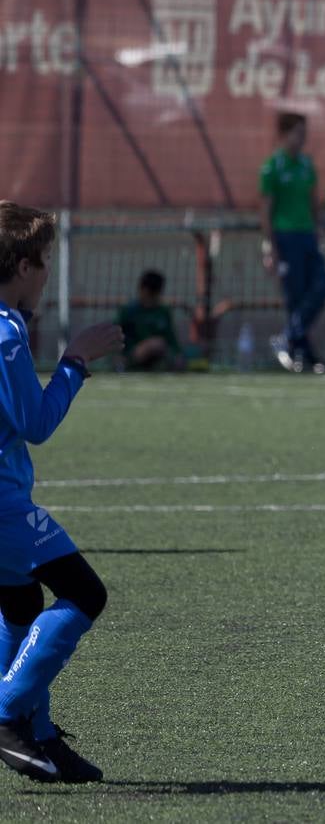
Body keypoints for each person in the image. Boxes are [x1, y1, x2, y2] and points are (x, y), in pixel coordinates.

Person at [0, 201, 123, 781]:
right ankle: (4, 713)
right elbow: (36, 423)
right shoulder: (5, 332)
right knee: (85, 593)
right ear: (22, 265)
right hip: (3, 506)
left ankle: (39, 735)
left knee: (20, 604)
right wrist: (75, 360)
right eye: (44, 259)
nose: (47, 270)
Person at [259, 111, 325, 374]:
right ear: (283, 135)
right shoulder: (272, 167)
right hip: (286, 238)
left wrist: (319, 229)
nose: (301, 139)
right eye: (297, 133)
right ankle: (304, 353)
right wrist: (270, 246)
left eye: (304, 133)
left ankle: (288, 339)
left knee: (323, 287)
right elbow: (266, 210)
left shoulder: (306, 165)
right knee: (295, 297)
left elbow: (314, 202)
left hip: (307, 237)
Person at [115, 269, 184, 372]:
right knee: (155, 344)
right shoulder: (128, 311)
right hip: (132, 355)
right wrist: (119, 356)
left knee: (164, 348)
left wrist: (178, 355)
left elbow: (171, 338)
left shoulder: (163, 311)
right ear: (143, 290)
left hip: (159, 355)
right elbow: (114, 336)